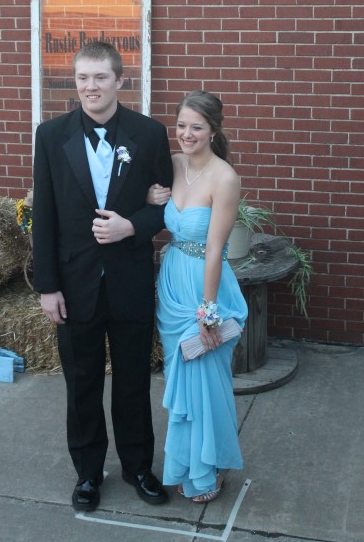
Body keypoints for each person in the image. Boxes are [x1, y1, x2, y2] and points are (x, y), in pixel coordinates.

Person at [32, 41, 173, 512]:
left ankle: (138, 468)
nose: (90, 87)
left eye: (100, 77)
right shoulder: (50, 136)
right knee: (82, 384)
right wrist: (47, 286)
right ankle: (89, 474)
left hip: (130, 281)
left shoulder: (149, 134)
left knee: (133, 382)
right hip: (75, 285)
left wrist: (132, 226)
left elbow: (168, 206)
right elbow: (44, 216)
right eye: (82, 78)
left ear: (120, 81)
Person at [147, 90, 248, 503]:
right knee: (181, 378)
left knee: (207, 379)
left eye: (197, 127)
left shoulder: (225, 178)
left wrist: (208, 313)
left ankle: (212, 466)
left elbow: (214, 251)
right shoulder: (172, 165)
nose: (187, 134)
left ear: (213, 130)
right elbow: (151, 210)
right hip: (172, 283)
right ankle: (187, 463)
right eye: (181, 125)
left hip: (206, 287)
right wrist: (149, 198)